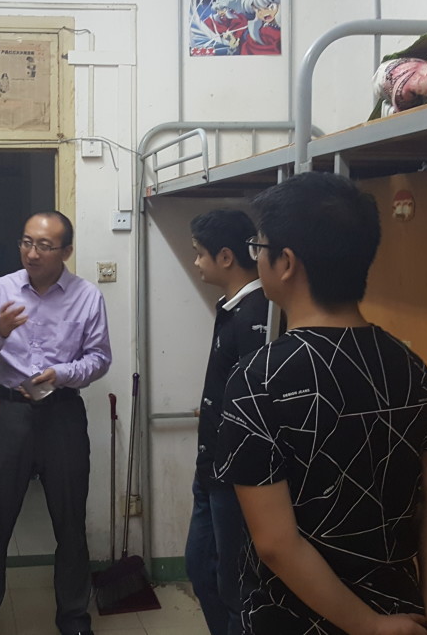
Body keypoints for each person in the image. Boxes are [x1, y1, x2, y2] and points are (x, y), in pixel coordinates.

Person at [214, 173, 427, 635]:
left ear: (286, 263)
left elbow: (275, 543)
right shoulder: (411, 367)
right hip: (402, 615)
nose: (256, 258)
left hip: (293, 619)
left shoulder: (258, 378)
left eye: (258, 247)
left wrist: (368, 626)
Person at [0, 211, 112, 635]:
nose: (32, 253)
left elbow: (100, 359)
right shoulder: (1, 290)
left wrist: (61, 374)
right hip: (10, 414)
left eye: (44, 246)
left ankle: (74, 618)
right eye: (26, 242)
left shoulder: (87, 296)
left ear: (66, 251)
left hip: (62, 414)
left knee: (70, 523)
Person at [185, 210, 270, 635]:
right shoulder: (232, 307)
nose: (196, 262)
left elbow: (256, 404)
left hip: (233, 475)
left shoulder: (258, 315)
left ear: (225, 257)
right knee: (200, 566)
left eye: (200, 254)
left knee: (234, 584)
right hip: (211, 468)